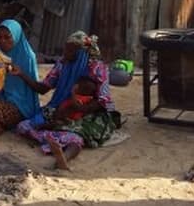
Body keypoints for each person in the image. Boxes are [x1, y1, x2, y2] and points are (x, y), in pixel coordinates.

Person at [13, 31, 117, 169]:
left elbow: (103, 100)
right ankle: (56, 138)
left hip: (88, 113)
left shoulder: (98, 68)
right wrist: (21, 74)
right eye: (65, 49)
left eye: (69, 50)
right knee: (23, 126)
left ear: (80, 52)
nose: (65, 53)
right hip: (60, 108)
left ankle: (63, 158)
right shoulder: (62, 64)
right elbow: (43, 88)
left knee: (77, 138)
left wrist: (79, 108)